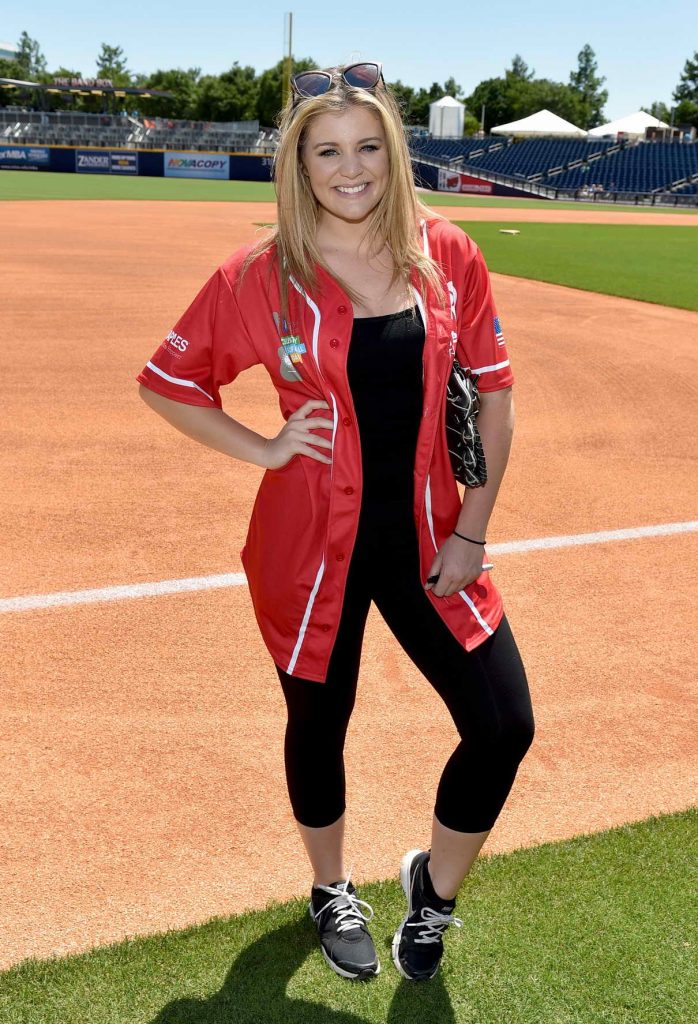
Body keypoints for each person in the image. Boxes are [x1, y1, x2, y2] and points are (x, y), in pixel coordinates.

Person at [136, 60, 535, 984]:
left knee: (503, 721)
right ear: (300, 166)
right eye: (327, 152)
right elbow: (167, 382)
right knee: (319, 721)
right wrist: (267, 449)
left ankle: (431, 895)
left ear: (392, 152)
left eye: (367, 147)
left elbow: (498, 396)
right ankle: (331, 890)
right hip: (311, 545)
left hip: (433, 538)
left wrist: (475, 529)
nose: (350, 169)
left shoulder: (448, 255)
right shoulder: (259, 275)